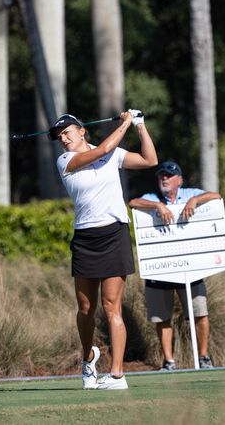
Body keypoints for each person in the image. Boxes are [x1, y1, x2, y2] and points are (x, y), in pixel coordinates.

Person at [50, 109, 157, 390]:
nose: (63, 139)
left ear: (82, 130)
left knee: (112, 307)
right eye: (59, 136)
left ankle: (118, 375)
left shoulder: (112, 154)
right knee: (86, 308)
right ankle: (88, 358)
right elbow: (105, 148)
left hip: (114, 234)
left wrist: (140, 126)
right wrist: (125, 123)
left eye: (67, 133)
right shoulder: (65, 161)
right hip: (86, 238)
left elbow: (150, 160)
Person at [128, 160, 221, 370]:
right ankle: (169, 361)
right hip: (161, 269)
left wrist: (195, 200)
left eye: (169, 175)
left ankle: (204, 357)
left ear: (179, 179)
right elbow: (133, 203)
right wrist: (157, 206)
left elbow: (216, 196)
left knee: (199, 313)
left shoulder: (190, 193)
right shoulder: (152, 198)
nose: (164, 178)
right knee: (162, 318)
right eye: (161, 175)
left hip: (191, 267)